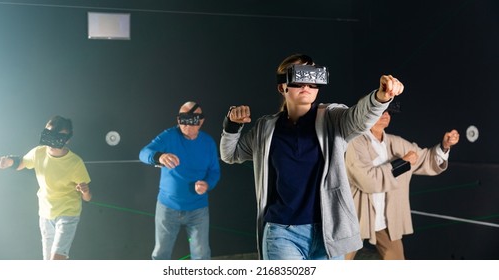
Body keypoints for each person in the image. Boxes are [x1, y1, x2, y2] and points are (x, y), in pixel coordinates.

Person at [219, 53, 404, 260]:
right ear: (283, 87)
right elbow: (230, 154)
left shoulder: (333, 118)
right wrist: (232, 126)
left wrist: (381, 97)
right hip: (282, 232)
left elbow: (359, 118)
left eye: (313, 77)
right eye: (299, 78)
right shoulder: (265, 128)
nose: (306, 84)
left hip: (328, 233)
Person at [344, 101, 459, 260]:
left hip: (387, 218)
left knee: (397, 261)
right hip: (358, 217)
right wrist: (402, 163)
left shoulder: (396, 142)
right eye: (381, 111)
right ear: (367, 114)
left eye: (389, 112)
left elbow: (424, 159)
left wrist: (444, 146)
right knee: (338, 262)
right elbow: (368, 180)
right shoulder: (354, 143)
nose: (386, 115)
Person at [0, 115, 91, 260]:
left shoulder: (75, 163)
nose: (52, 141)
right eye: (49, 134)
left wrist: (85, 191)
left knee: (57, 259)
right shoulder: (38, 153)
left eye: (59, 137)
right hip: (46, 214)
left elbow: (88, 198)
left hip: (67, 214)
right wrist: (8, 161)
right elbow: (21, 163)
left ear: (67, 139)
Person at [139, 101, 221, 260]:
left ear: (201, 121)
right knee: (161, 254)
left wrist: (207, 184)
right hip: (167, 207)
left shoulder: (208, 142)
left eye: (191, 120)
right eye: (182, 119)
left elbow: (214, 172)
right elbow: (143, 153)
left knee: (202, 255)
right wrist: (159, 156)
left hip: (198, 209)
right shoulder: (169, 136)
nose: (185, 125)